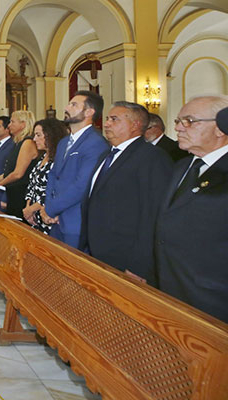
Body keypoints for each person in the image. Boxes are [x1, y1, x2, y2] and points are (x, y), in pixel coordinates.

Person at [82, 102, 172, 285]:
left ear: (135, 125)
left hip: (126, 257)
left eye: (114, 119)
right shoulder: (107, 156)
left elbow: (153, 215)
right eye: (107, 119)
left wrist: (140, 265)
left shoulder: (152, 157)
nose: (106, 124)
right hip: (98, 251)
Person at [156, 96, 228, 323]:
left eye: (189, 121)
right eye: (178, 121)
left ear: (220, 128)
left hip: (213, 298)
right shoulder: (182, 166)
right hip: (170, 286)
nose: (178, 127)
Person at [42, 90, 109, 249]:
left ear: (89, 112)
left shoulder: (96, 143)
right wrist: (48, 207)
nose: (66, 108)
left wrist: (51, 209)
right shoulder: (63, 142)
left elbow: (82, 185)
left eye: (74, 105)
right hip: (55, 219)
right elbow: (53, 175)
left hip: (75, 220)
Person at [0, 111, 39, 218]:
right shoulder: (18, 143)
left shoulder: (28, 143)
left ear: (23, 124)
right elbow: (11, 169)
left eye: (12, 122)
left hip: (21, 193)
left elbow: (18, 173)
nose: (9, 125)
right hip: (13, 192)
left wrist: (0, 184)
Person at [23, 119, 67, 234]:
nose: (34, 139)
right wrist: (28, 207)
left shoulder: (59, 159)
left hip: (47, 216)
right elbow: (32, 185)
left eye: (38, 135)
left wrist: (32, 209)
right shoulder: (42, 157)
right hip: (33, 217)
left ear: (51, 135)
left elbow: (54, 191)